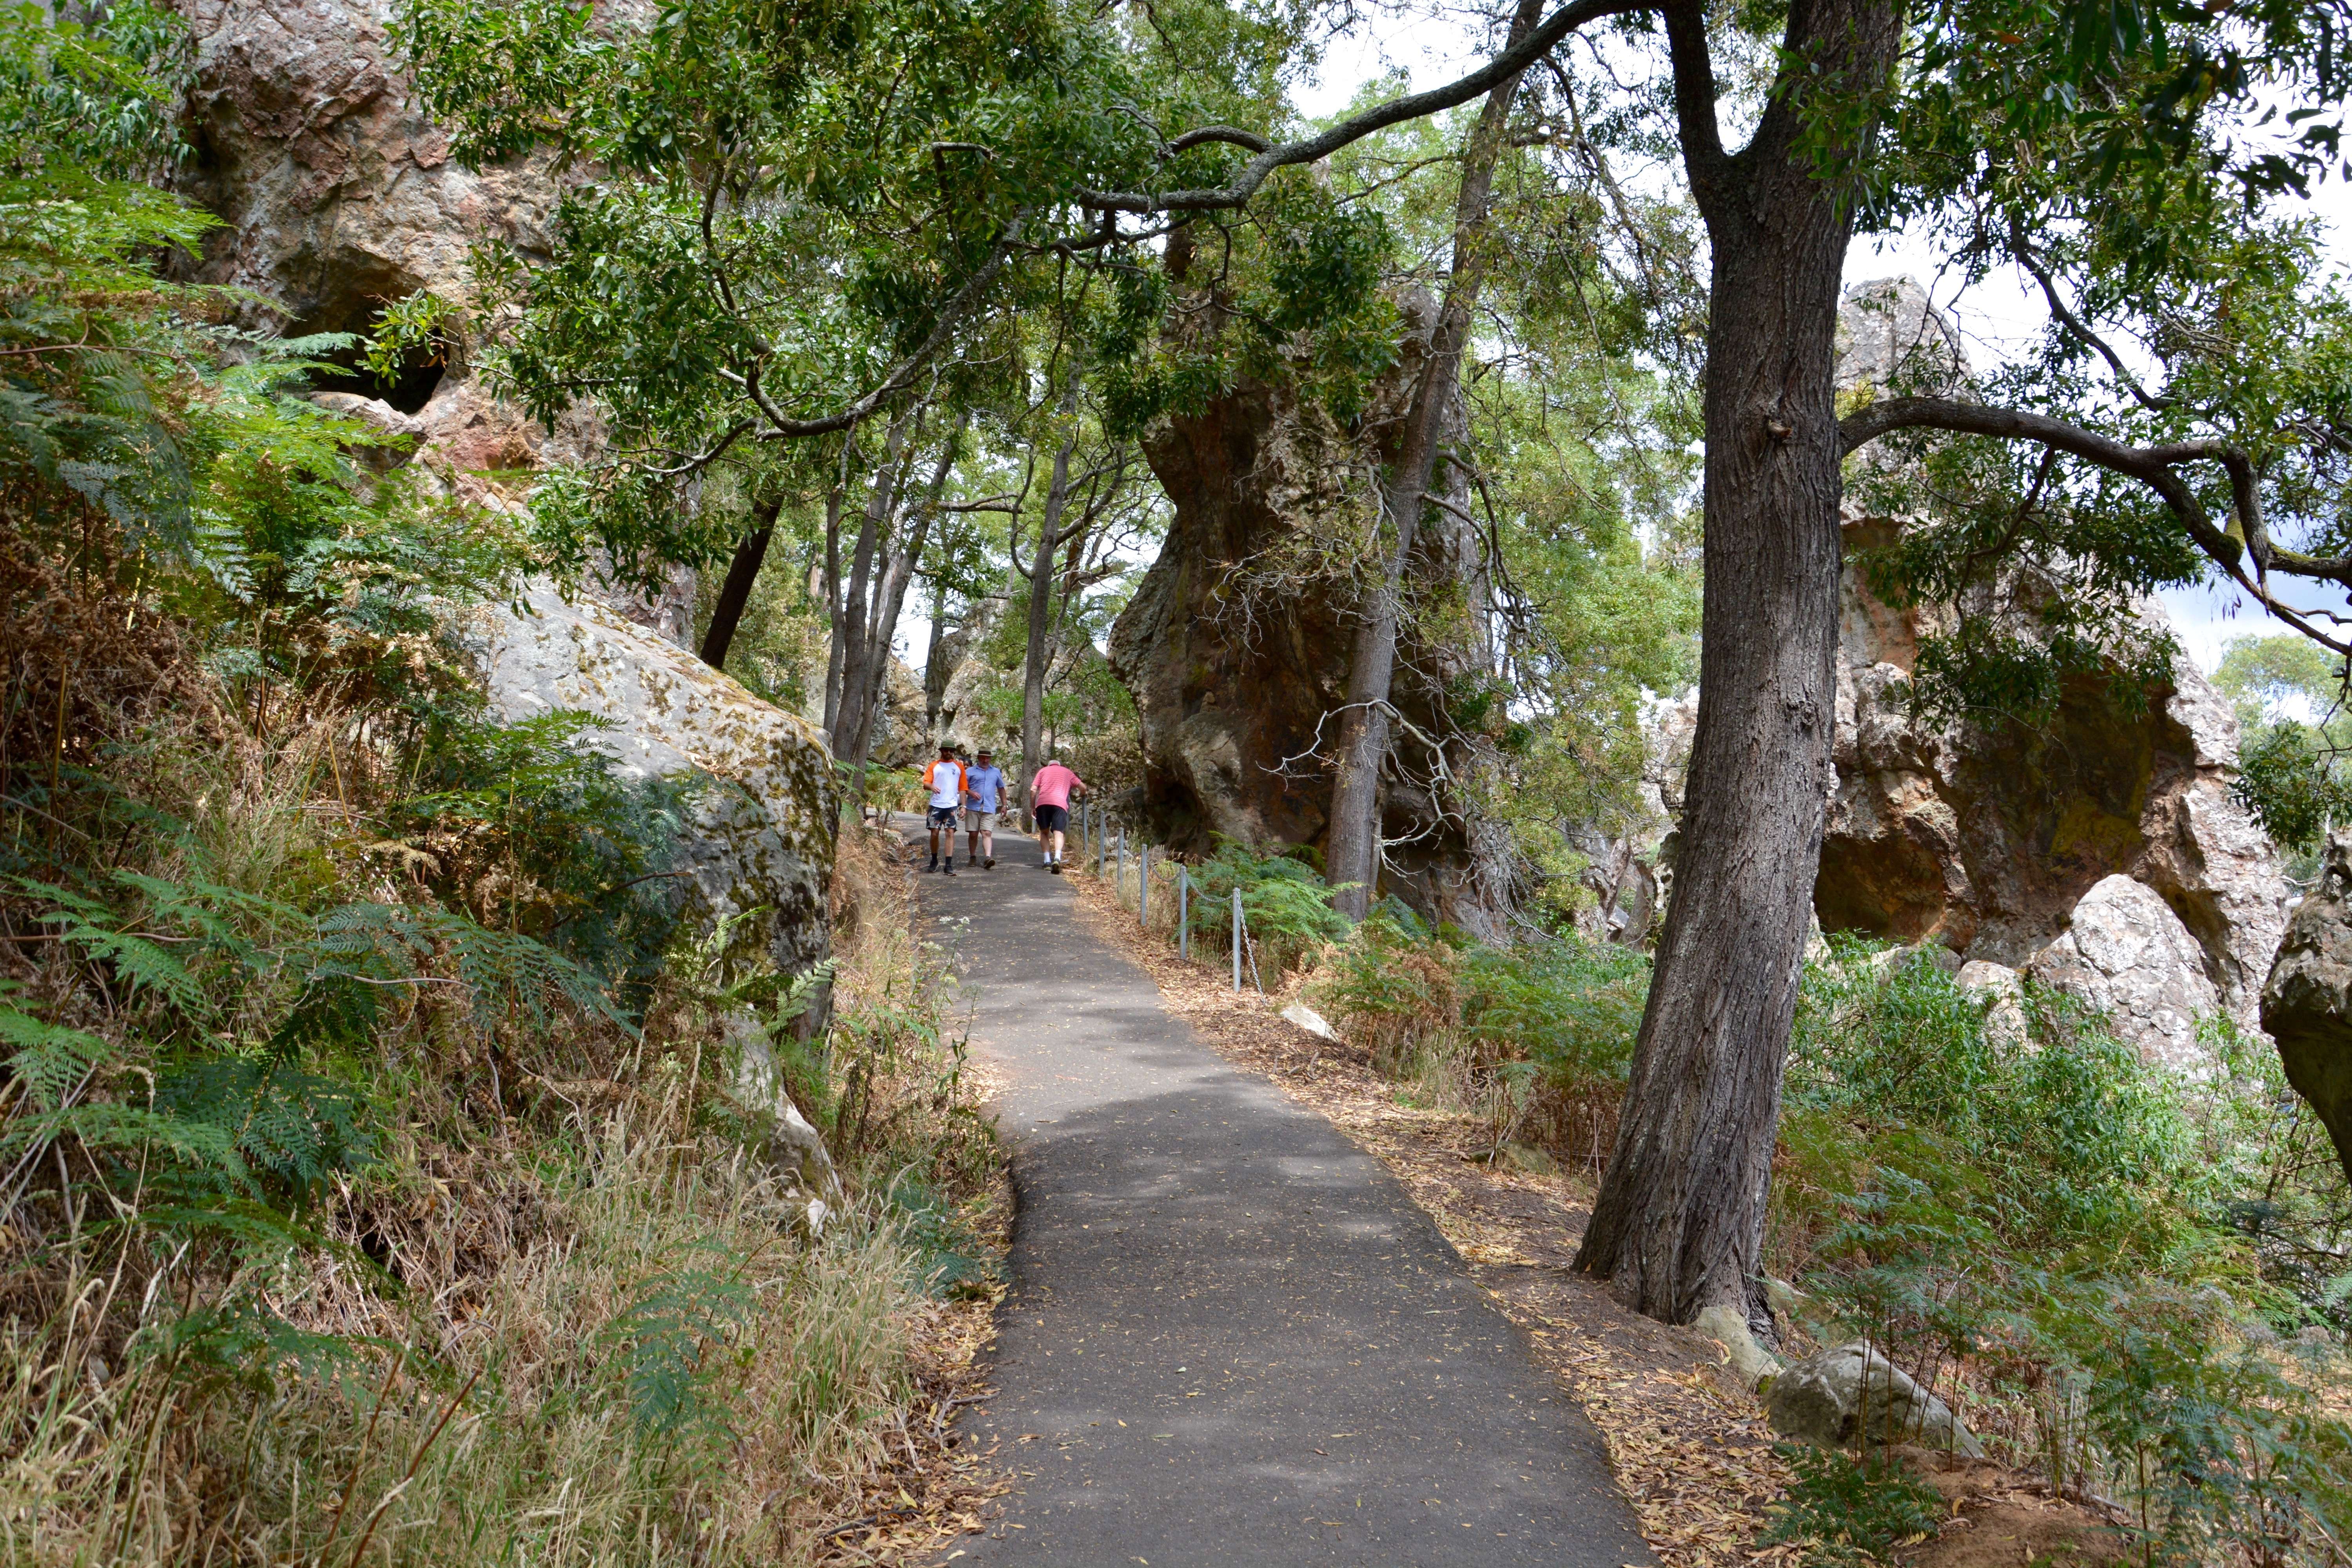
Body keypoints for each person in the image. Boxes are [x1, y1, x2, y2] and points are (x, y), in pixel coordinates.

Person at [1027, 756, 1087, 874]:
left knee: (1044, 833)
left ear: (1049, 765)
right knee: (1059, 833)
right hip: (1060, 804)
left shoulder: (1043, 771)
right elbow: (1083, 787)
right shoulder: (1067, 772)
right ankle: (1058, 859)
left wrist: (1033, 807)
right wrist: (1083, 794)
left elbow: (1033, 790)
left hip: (1043, 803)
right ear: (1059, 765)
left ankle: (1047, 861)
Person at [920, 744, 965, 875]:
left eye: (951, 751)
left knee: (950, 832)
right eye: (946, 750)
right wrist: (932, 787)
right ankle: (934, 860)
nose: (949, 752)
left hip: (951, 805)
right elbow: (926, 783)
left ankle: (949, 865)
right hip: (936, 805)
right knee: (935, 833)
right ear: (942, 751)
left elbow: (963, 788)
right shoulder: (934, 765)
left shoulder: (959, 767)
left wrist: (964, 806)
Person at [962, 747, 1006, 869]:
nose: (985, 760)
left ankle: (988, 857)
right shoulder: (970, 771)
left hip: (989, 806)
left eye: (988, 758)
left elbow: (1001, 788)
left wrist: (1004, 805)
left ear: (990, 759)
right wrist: (971, 793)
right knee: (973, 834)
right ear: (979, 758)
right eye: (983, 758)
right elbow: (962, 788)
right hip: (973, 807)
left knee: (987, 833)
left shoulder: (996, 772)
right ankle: (972, 856)